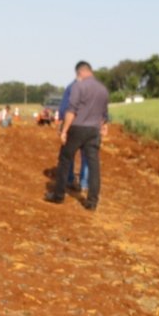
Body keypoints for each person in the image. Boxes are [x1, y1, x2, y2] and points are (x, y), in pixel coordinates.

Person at [44, 61, 109, 210]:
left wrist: (64, 130)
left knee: (65, 159)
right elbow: (104, 113)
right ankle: (92, 202)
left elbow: (71, 110)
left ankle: (58, 195)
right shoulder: (102, 89)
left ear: (80, 73)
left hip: (77, 128)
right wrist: (104, 126)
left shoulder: (77, 86)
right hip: (93, 130)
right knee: (94, 165)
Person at [58, 73, 90, 191]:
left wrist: (62, 124)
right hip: (88, 126)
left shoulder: (71, 87)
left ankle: (70, 179)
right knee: (86, 156)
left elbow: (64, 108)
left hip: (73, 125)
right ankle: (84, 183)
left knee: (69, 154)